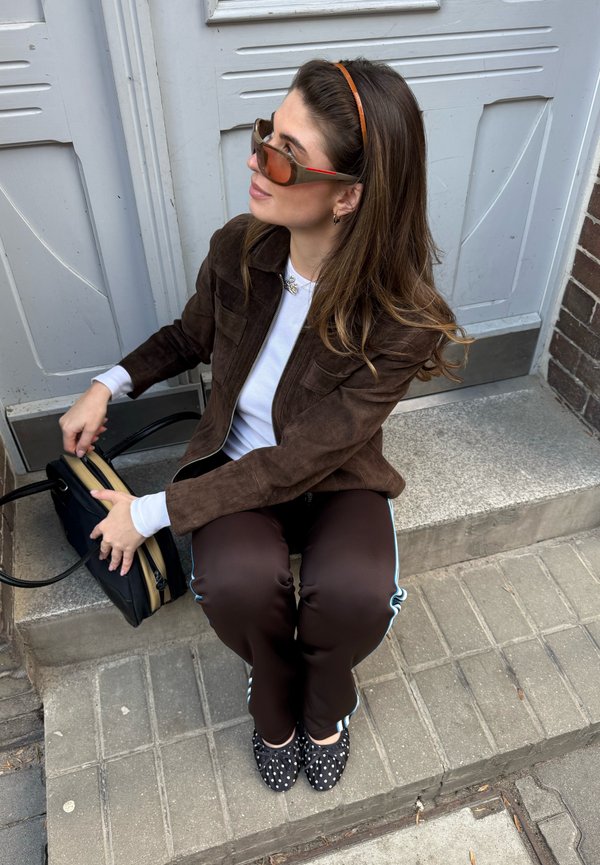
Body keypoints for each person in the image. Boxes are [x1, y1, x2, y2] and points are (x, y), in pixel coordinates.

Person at [59, 57, 470, 793]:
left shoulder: (402, 318)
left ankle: (325, 707)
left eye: (287, 155)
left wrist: (150, 512)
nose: (258, 160)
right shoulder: (240, 248)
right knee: (237, 578)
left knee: (356, 591)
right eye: (266, 134)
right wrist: (106, 384)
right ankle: (272, 698)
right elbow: (189, 336)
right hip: (232, 462)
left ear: (347, 197)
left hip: (333, 475)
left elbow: (302, 459)